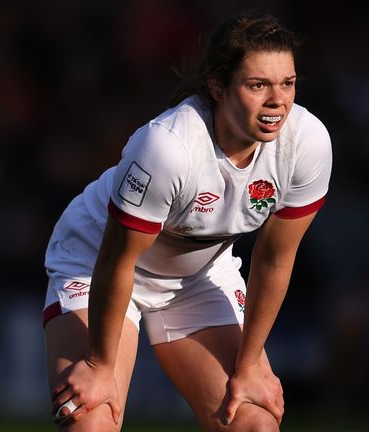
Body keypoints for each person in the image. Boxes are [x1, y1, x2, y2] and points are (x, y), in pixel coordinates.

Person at [43, 9, 332, 431]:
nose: (278, 101)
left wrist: (250, 365)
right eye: (258, 85)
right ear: (218, 86)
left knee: (255, 423)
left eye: (287, 83)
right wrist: (99, 365)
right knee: (91, 421)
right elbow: (115, 259)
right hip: (95, 263)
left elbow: (274, 259)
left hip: (197, 276)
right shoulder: (168, 147)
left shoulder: (306, 144)